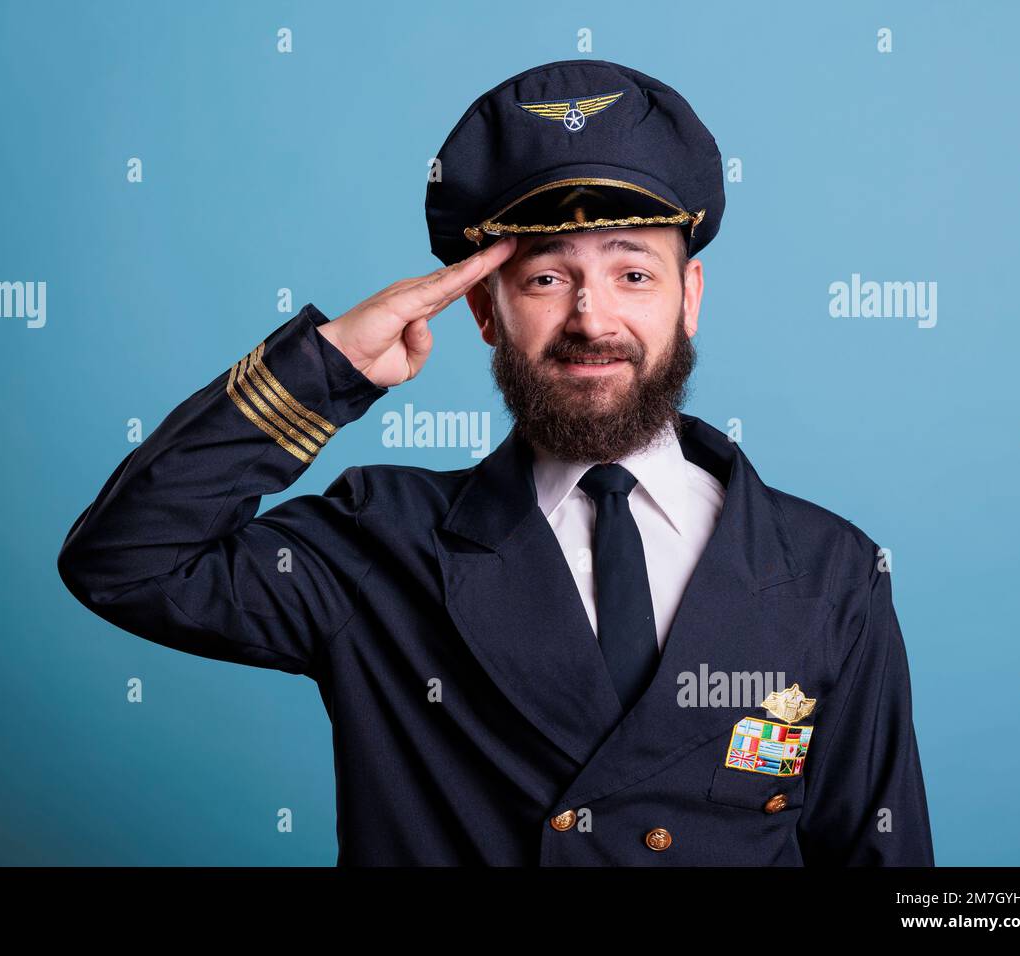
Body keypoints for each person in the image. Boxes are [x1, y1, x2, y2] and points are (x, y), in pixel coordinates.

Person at [57, 59, 934, 866]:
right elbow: (127, 563)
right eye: (546, 279)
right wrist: (324, 371)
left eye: (634, 274)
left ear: (689, 297)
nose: (593, 319)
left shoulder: (830, 572)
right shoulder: (381, 541)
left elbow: (879, 856)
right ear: (483, 311)